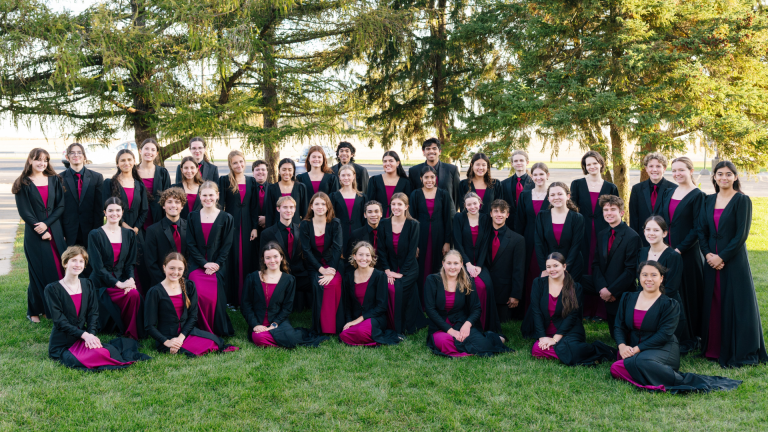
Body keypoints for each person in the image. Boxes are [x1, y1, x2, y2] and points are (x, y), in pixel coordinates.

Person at [610, 261, 742, 393]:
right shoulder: (628, 298)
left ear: (661, 278)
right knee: (615, 368)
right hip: (633, 349)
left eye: (654, 275)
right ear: (639, 277)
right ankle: (647, 373)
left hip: (662, 348)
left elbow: (663, 335)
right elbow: (618, 326)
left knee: (638, 363)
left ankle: (658, 380)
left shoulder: (670, 304)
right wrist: (622, 346)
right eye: (644, 275)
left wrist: (636, 349)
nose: (649, 279)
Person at [698, 161, 767, 368]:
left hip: (734, 260)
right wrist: (708, 254)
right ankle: (713, 348)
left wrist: (722, 257)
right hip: (710, 259)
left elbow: (741, 235)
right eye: (720, 174)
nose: (724, 177)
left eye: (729, 174)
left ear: (735, 177)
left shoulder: (742, 200)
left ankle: (738, 349)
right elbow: (701, 230)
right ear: (714, 177)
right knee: (713, 301)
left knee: (735, 303)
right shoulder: (708, 200)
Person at [45, 246, 150, 370]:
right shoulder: (52, 289)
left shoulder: (87, 284)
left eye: (81, 261)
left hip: (82, 339)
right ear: (65, 263)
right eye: (73, 260)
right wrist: (85, 335)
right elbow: (59, 321)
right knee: (89, 357)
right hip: (63, 344)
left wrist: (91, 336)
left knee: (106, 352)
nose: (77, 264)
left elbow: (93, 313)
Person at [522, 252, 614, 365]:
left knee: (573, 349)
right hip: (547, 331)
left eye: (556, 266)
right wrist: (542, 337)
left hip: (568, 331)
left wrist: (554, 339)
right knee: (536, 349)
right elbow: (536, 312)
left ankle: (596, 349)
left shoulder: (575, 287)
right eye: (548, 267)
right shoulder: (538, 283)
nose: (552, 269)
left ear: (564, 266)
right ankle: (575, 355)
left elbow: (572, 316)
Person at [145, 253, 238, 355]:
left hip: (186, 333)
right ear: (164, 268)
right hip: (167, 338)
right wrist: (167, 342)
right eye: (172, 268)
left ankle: (183, 343)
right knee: (196, 350)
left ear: (184, 269)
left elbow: (193, 316)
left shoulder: (189, 286)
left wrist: (181, 338)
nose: (175, 272)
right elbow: (149, 326)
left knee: (215, 341)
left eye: (180, 269)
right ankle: (175, 346)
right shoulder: (155, 292)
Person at [13, 148, 67, 323]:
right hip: (35, 234)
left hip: (55, 231)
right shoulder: (23, 183)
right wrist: (42, 230)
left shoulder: (54, 179)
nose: (42, 163)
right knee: (38, 272)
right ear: (30, 160)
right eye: (38, 159)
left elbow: (60, 206)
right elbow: (25, 211)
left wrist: (47, 224)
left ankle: (52, 308)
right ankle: (34, 310)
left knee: (59, 269)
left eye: (45, 160)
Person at [423, 250, 511, 357]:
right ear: (443, 263)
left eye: (456, 263)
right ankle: (465, 346)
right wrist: (451, 331)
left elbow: (476, 308)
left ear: (461, 264)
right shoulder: (432, 280)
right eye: (449, 263)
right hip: (440, 326)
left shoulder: (467, 281)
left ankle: (491, 338)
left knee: (483, 345)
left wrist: (467, 325)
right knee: (444, 342)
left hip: (460, 323)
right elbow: (430, 310)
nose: (452, 267)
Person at [242, 242, 328, 348]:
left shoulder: (289, 280)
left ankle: (283, 340)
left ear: (281, 257)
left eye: (275, 256)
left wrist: (275, 324)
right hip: (259, 322)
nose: (272, 260)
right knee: (258, 337)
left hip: (279, 321)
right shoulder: (252, 277)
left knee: (291, 338)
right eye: (268, 258)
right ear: (264, 260)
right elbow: (246, 305)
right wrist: (255, 325)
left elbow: (287, 307)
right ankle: (282, 342)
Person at [569, 151, 619, 321]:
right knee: (583, 265)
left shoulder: (610, 187)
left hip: (603, 231)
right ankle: (582, 309)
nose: (592, 167)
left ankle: (600, 310)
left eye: (595, 163)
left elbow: (615, 211)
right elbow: (572, 209)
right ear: (585, 167)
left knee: (601, 265)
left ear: (601, 164)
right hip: (582, 231)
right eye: (588, 164)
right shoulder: (577, 184)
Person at [660, 156, 705, 341]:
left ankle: (691, 335)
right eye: (674, 170)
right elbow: (662, 220)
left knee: (688, 293)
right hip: (667, 250)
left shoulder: (698, 195)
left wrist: (679, 249)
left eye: (681, 170)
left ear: (691, 171)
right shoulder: (669, 192)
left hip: (686, 253)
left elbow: (697, 227)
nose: (677, 173)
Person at [636, 216, 696, 353]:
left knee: (659, 348)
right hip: (646, 302)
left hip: (668, 306)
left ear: (664, 233)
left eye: (656, 230)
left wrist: (650, 304)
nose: (651, 233)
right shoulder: (642, 252)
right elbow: (640, 281)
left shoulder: (673, 255)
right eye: (648, 229)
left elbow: (671, 287)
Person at [584, 195, 640, 340]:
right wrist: (602, 288)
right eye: (605, 210)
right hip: (603, 285)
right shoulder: (602, 234)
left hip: (621, 289)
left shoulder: (632, 237)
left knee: (620, 337)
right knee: (576, 281)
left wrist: (612, 291)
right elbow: (596, 264)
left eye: (613, 209)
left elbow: (630, 271)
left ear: (622, 212)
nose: (609, 213)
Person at [87, 198, 144, 340]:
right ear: (104, 212)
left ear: (122, 212)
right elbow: (98, 267)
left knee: (134, 294)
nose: (114, 213)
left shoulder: (129, 234)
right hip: (101, 283)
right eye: (110, 210)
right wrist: (119, 284)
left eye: (118, 210)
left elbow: (130, 263)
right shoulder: (95, 234)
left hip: (121, 278)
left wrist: (130, 280)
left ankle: (131, 332)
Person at [186, 181, 235, 337]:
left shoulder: (226, 217)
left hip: (218, 265)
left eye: (211, 195)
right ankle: (197, 327)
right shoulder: (192, 217)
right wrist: (204, 263)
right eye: (204, 195)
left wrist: (216, 264)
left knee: (212, 296)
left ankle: (214, 327)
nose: (208, 198)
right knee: (198, 291)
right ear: (200, 196)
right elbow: (190, 244)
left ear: (217, 195)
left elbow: (226, 246)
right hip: (196, 265)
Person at [376, 193, 428, 334]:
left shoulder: (414, 224)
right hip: (389, 266)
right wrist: (387, 270)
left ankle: (402, 325)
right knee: (386, 287)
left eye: (400, 204)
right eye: (393, 204)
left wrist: (401, 273)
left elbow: (412, 253)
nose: (396, 207)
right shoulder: (383, 223)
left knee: (397, 288)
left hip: (409, 268)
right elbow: (381, 250)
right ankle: (388, 323)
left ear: (406, 207)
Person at [452, 192, 502, 334]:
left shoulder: (485, 218)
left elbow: (485, 243)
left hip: (480, 262)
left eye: (475, 203)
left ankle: (485, 324)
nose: (473, 206)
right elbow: (458, 243)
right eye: (469, 204)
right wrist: (467, 264)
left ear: (480, 203)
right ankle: (468, 323)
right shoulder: (459, 217)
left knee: (485, 285)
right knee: (470, 285)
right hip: (463, 261)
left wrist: (479, 266)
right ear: (465, 206)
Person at [102, 149, 150, 293]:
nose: (126, 163)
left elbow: (144, 210)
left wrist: (135, 228)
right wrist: (124, 225)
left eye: (129, 159)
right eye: (122, 160)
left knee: (140, 267)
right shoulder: (109, 183)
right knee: (119, 263)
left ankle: (140, 298)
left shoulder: (139, 185)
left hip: (136, 233)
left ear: (134, 162)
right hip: (116, 230)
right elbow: (106, 208)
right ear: (117, 163)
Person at [340, 242, 404, 346]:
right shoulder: (348, 277)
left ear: (372, 258)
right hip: (356, 318)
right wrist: (349, 322)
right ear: (354, 256)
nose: (364, 258)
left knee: (360, 331)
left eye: (367, 255)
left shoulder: (380, 276)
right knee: (343, 335)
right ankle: (368, 336)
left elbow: (381, 307)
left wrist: (358, 320)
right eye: (360, 255)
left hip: (375, 318)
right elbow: (347, 305)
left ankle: (376, 336)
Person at [217, 150, 259, 307]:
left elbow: (254, 207)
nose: (238, 165)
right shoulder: (224, 180)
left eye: (241, 161)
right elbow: (220, 205)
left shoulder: (251, 181)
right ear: (230, 164)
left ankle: (247, 298)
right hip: (231, 225)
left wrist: (254, 227)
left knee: (247, 258)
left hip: (247, 225)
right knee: (232, 259)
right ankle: (232, 299)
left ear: (245, 162)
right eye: (235, 162)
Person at [301, 192, 345, 334]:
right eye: (317, 204)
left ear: (328, 207)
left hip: (334, 263)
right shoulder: (305, 224)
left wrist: (331, 271)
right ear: (311, 206)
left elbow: (338, 248)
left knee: (333, 283)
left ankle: (336, 326)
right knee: (319, 283)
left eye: (323, 204)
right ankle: (323, 327)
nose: (320, 207)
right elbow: (306, 251)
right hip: (314, 265)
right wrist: (321, 270)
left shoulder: (335, 223)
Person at [409, 165, 454, 303]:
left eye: (432, 177)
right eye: (426, 177)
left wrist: (447, 242)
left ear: (436, 178)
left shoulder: (443, 194)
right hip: (420, 237)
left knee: (437, 267)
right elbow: (411, 220)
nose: (429, 180)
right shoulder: (415, 194)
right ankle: (421, 301)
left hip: (439, 237)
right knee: (421, 267)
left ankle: (436, 300)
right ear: (421, 178)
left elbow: (448, 219)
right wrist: (414, 245)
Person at [259, 196, 311, 312]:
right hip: (278, 275)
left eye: (291, 207)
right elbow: (262, 259)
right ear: (278, 209)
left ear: (295, 209)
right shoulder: (267, 233)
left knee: (319, 281)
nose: (288, 210)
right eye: (285, 207)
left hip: (300, 275)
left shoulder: (302, 230)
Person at [513, 162, 550, 319]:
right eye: (535, 174)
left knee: (544, 271)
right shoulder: (525, 195)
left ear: (547, 175)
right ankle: (528, 310)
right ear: (531, 177)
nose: (538, 177)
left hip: (547, 240)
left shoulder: (553, 195)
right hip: (528, 239)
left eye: (541, 174)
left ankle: (546, 309)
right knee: (528, 272)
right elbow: (520, 222)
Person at [534, 182, 584, 281]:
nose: (556, 197)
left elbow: (576, 246)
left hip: (572, 267)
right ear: (548, 198)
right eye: (552, 195)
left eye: (560, 194)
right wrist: (544, 268)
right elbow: (538, 244)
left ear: (568, 196)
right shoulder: (542, 216)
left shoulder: (577, 218)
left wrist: (566, 269)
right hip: (549, 268)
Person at [59, 143, 104, 255]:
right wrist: (61, 233)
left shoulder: (96, 177)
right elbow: (58, 207)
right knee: (70, 260)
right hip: (68, 230)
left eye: (79, 152)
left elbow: (99, 207)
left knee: (90, 260)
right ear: (67, 157)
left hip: (90, 228)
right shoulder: (59, 178)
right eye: (72, 153)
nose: (76, 155)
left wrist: (97, 231)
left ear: (84, 156)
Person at [486, 200, 525, 323]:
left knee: (503, 324)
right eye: (496, 211)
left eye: (502, 212)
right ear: (491, 214)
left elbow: (519, 269)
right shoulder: (483, 235)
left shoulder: (518, 240)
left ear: (507, 215)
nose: (499, 214)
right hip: (484, 290)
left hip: (504, 294)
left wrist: (515, 295)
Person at [629, 153, 676, 246]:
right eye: (651, 166)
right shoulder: (637, 189)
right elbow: (634, 217)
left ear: (664, 168)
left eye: (658, 166)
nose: (654, 170)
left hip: (665, 240)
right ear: (646, 169)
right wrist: (635, 240)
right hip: (643, 239)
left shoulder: (673, 189)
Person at [144, 188, 188, 287]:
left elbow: (192, 256)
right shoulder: (153, 230)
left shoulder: (190, 227)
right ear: (163, 205)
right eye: (169, 202)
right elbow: (150, 262)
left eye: (177, 202)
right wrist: (166, 282)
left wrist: (185, 279)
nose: (173, 205)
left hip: (186, 281)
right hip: (162, 283)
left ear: (182, 206)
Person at [408, 137, 461, 205]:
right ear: (423, 152)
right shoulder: (414, 171)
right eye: (428, 149)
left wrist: (453, 211)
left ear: (440, 151)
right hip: (422, 211)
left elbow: (457, 195)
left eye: (434, 148)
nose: (431, 151)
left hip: (446, 210)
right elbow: (412, 197)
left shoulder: (452, 170)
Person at [330, 164, 366, 261]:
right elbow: (331, 217)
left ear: (354, 176)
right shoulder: (333, 196)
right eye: (343, 175)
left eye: (349, 175)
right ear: (339, 177)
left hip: (358, 234)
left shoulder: (362, 197)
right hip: (340, 234)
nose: (346, 178)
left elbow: (364, 219)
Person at [136, 138, 171, 231]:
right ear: (140, 151)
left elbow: (168, 197)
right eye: (146, 149)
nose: (149, 152)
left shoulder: (163, 172)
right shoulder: (132, 172)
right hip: (137, 217)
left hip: (158, 217)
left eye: (153, 150)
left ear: (156, 153)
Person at [367, 151, 412, 217]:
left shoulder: (405, 182)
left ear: (397, 163)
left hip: (398, 219)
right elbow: (369, 203)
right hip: (378, 219)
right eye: (385, 161)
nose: (387, 164)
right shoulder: (374, 180)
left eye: (391, 161)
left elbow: (408, 205)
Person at [264, 158, 308, 227]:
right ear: (279, 171)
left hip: (296, 228)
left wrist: (304, 229)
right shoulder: (272, 188)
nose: (287, 172)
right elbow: (269, 213)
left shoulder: (301, 187)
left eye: (290, 170)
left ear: (293, 171)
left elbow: (305, 212)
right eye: (284, 170)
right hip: (276, 229)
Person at [501, 150, 534, 230]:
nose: (518, 163)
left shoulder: (534, 183)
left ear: (527, 162)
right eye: (516, 161)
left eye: (521, 160)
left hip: (529, 225)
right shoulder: (504, 184)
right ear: (512, 164)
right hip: (509, 225)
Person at [348, 200, 385, 270]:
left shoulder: (387, 233)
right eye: (370, 212)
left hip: (383, 271)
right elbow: (350, 258)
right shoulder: (356, 234)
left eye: (376, 211)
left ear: (381, 214)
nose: (373, 215)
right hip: (362, 270)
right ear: (365, 215)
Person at [175, 156, 204, 221]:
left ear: (197, 169)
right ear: (181, 170)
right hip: (180, 225)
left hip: (199, 224)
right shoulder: (175, 188)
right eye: (186, 168)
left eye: (192, 168)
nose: (189, 171)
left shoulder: (204, 188)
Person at [251, 160, 271, 237]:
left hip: (269, 227)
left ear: (267, 172)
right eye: (257, 170)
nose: (260, 172)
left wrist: (267, 218)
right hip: (251, 228)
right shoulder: (249, 189)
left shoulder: (273, 188)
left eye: (263, 169)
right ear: (253, 172)